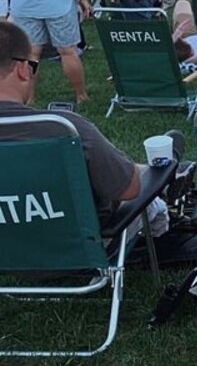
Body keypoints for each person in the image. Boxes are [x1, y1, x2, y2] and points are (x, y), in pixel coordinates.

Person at [0, 19, 174, 220]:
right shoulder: (64, 129)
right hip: (70, 236)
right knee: (153, 205)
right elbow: (129, 189)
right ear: (23, 70)